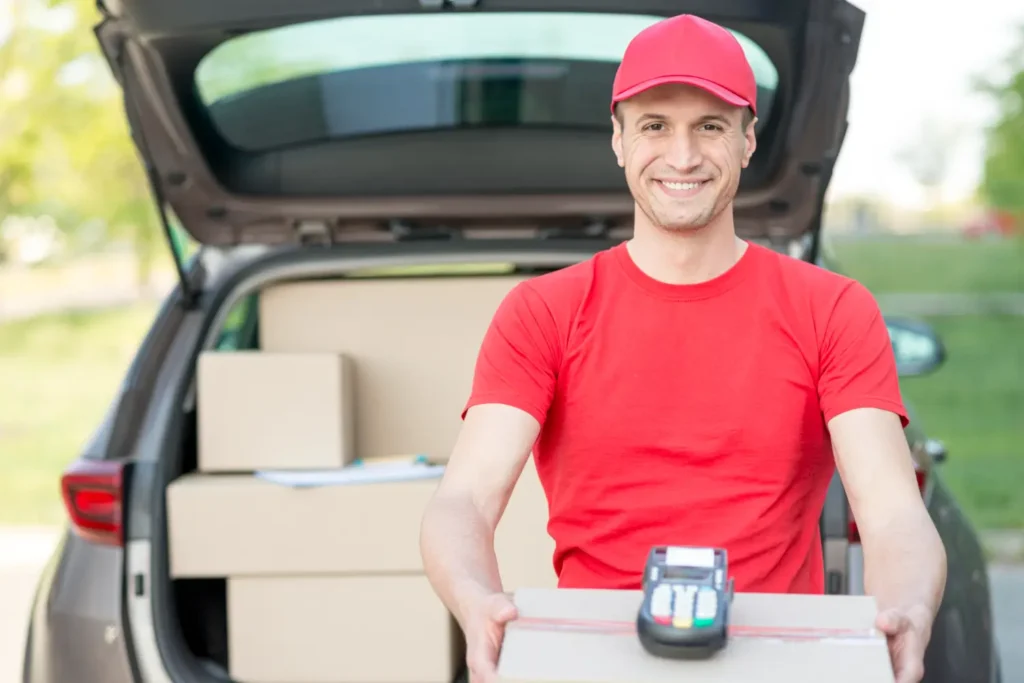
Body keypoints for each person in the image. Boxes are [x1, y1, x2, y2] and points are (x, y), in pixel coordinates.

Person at [419, 13, 946, 683]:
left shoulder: (832, 309)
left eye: (711, 127)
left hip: (777, 663)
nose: (683, 156)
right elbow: (464, 500)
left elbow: (892, 510)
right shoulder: (544, 312)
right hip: (592, 662)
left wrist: (907, 607)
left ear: (748, 140)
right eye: (655, 126)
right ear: (618, 139)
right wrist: (475, 599)